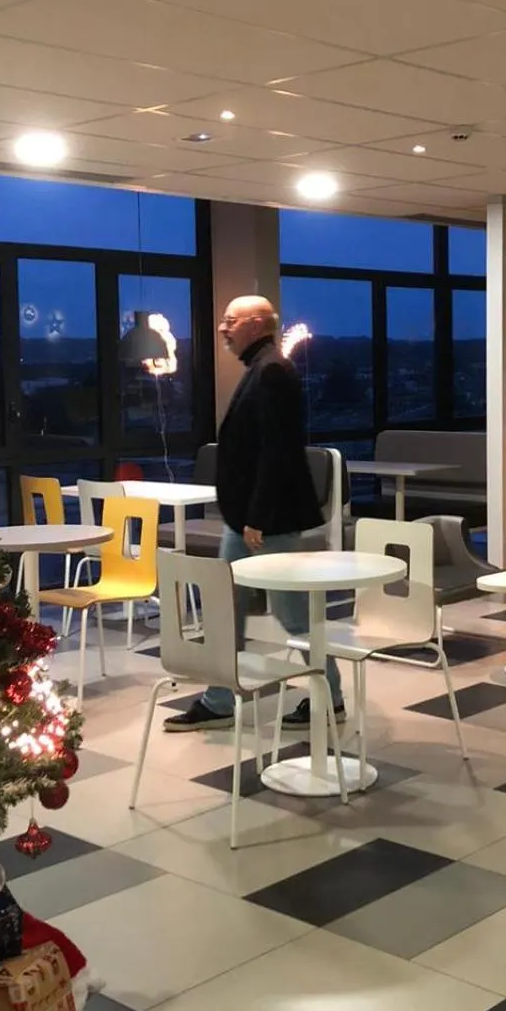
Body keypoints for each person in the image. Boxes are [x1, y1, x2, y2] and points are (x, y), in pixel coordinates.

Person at [163, 294, 344, 733]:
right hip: (247, 519)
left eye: (231, 320)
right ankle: (220, 698)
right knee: (227, 607)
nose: (222, 328)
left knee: (292, 614)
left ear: (258, 324)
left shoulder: (272, 371)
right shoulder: (262, 368)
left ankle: (329, 697)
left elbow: (277, 452)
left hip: (265, 522)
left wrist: (258, 517)